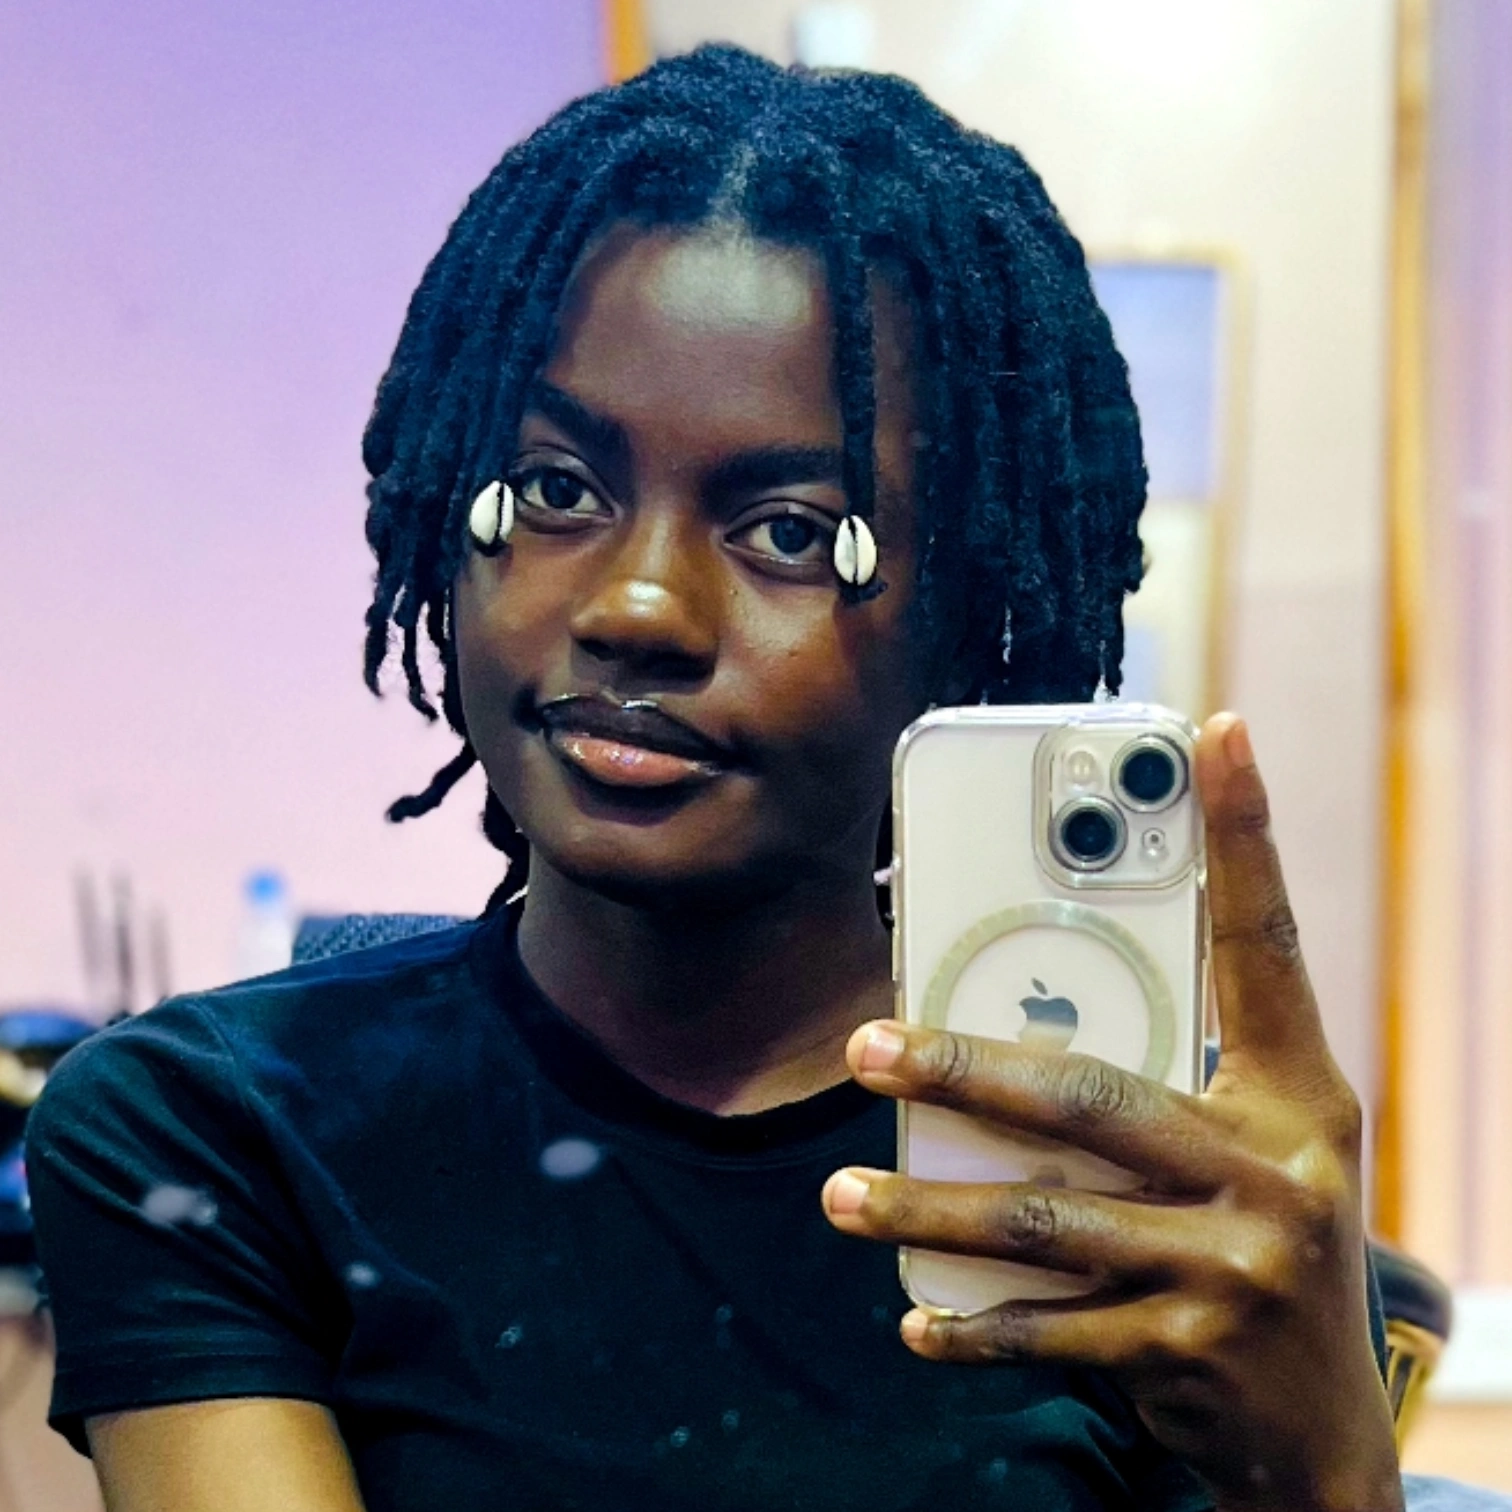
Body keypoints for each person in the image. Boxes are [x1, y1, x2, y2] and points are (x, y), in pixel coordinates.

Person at [27, 45, 1405, 1512]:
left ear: (962, 622)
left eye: (790, 532)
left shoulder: (1143, 1200)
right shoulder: (217, 1131)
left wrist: (1329, 1458)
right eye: (556, 488)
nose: (637, 605)